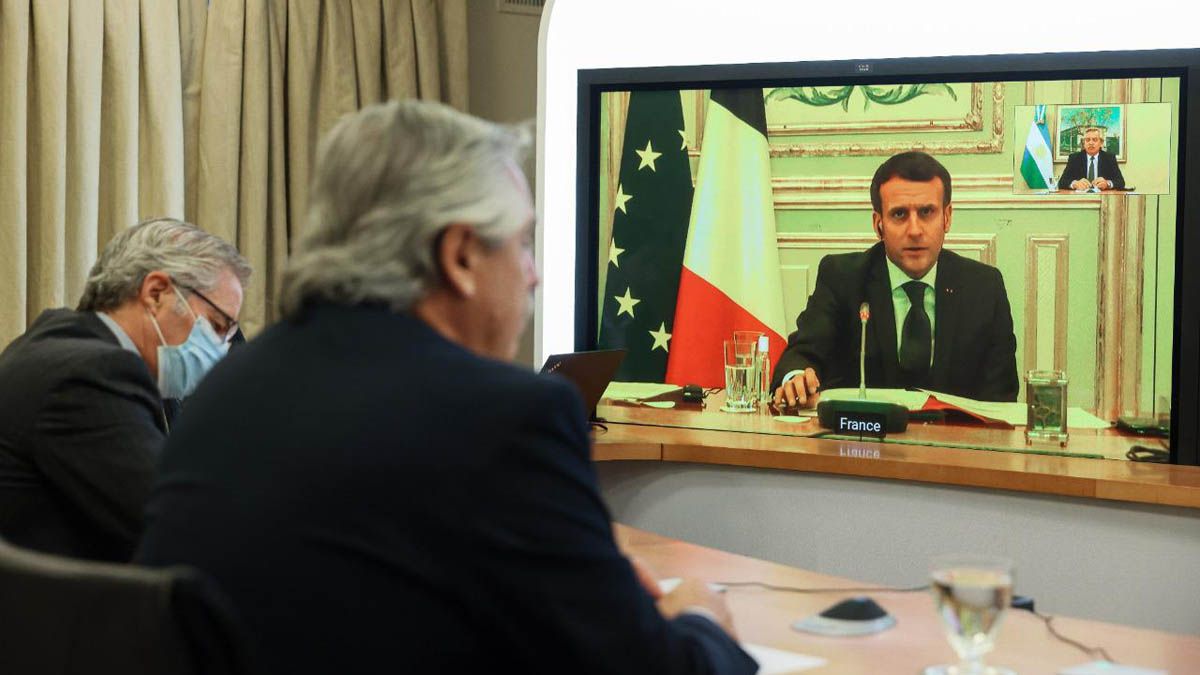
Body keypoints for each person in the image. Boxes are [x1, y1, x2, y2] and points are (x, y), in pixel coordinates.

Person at [136, 101, 755, 675]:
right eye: (522, 243)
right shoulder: (507, 417)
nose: (534, 275)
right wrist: (703, 618)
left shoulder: (224, 391)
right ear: (459, 256)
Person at [0, 218, 249, 562]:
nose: (222, 349)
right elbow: (181, 529)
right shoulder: (90, 377)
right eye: (219, 326)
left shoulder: (57, 343)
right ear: (156, 293)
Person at [773, 151, 1018, 409]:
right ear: (879, 224)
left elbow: (1001, 399)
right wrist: (795, 378)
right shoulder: (842, 277)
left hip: (958, 443)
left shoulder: (984, 288)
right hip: (863, 442)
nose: (914, 230)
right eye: (900, 215)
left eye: (926, 212)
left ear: (947, 217)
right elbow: (803, 353)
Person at [1058, 126, 1125, 191]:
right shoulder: (1074, 158)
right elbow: (1062, 182)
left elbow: (1121, 182)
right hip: (1081, 198)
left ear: (1101, 143)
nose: (1091, 143)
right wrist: (1074, 184)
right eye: (1087, 140)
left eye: (1094, 140)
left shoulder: (1109, 158)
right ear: (1084, 143)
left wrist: (1107, 184)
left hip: (1102, 197)